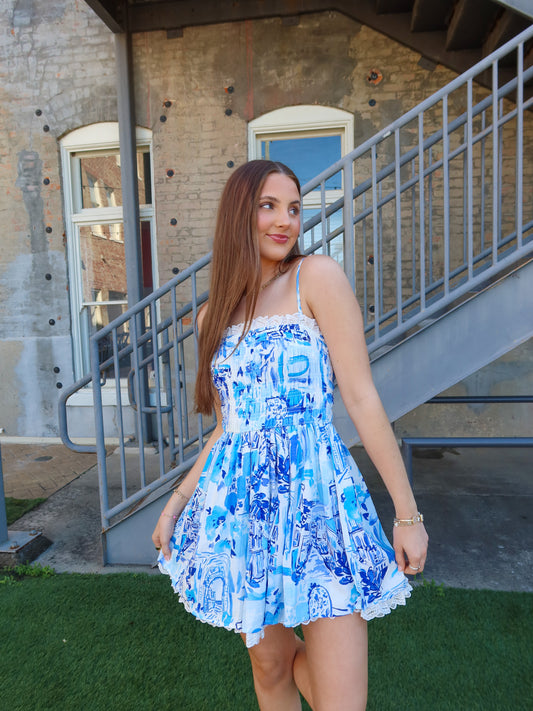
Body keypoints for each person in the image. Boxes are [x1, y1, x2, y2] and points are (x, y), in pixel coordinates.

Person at [152, 159, 428, 711]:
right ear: (239, 215)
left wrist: (407, 515)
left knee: (341, 700)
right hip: (243, 514)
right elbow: (228, 429)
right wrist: (175, 504)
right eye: (269, 206)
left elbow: (361, 398)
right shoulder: (211, 318)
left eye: (295, 208)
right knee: (271, 665)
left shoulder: (316, 278)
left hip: (320, 507)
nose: (286, 220)